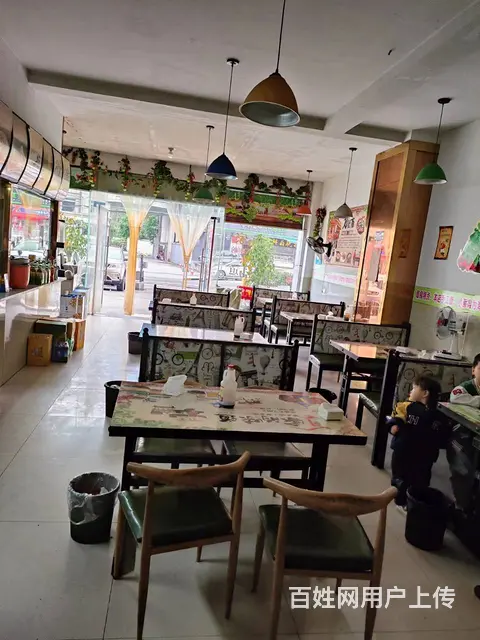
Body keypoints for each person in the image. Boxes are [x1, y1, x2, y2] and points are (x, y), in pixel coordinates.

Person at [388, 376, 445, 506]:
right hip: (403, 452)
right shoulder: (405, 406)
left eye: (414, 388)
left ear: (425, 393)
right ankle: (400, 501)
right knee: (400, 478)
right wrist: (393, 426)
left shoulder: (437, 414)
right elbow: (394, 418)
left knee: (421, 481)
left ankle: (415, 503)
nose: (410, 391)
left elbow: (441, 434)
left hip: (424, 456)